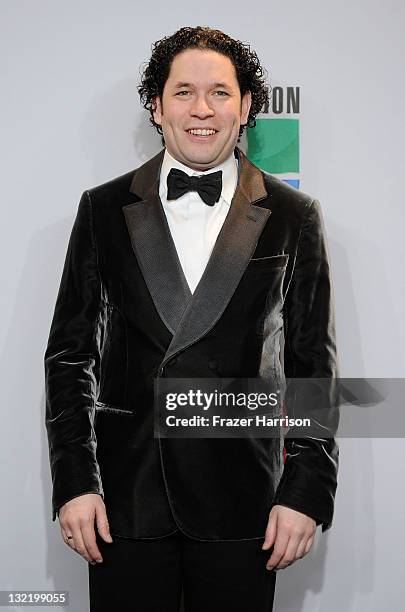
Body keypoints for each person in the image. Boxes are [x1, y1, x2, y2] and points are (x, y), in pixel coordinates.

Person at [44, 26, 339, 612]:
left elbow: (313, 365)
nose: (202, 110)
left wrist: (306, 490)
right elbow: (70, 354)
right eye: (183, 92)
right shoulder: (101, 208)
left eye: (220, 93)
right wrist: (76, 480)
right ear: (156, 105)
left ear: (248, 105)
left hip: (245, 501)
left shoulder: (293, 214)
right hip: (124, 500)